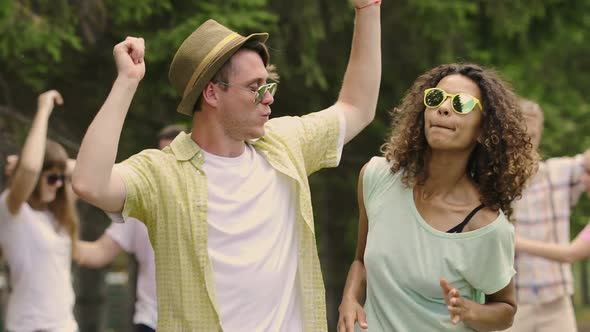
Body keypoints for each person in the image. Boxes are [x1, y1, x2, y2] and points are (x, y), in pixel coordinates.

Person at [72, 0, 381, 330]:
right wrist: (127, 82)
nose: (269, 97)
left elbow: (357, 107)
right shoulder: (161, 174)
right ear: (212, 94)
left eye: (268, 84)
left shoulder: (285, 144)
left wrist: (368, 9)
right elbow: (89, 183)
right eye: (254, 87)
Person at [338, 63, 538, 332]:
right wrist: (350, 298)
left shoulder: (486, 228)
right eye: (436, 98)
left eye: (461, 104)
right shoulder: (376, 177)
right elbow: (361, 261)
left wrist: (469, 310)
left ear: (483, 129)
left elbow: (505, 310)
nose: (444, 108)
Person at [75, 125, 184, 332]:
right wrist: (57, 242)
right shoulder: (143, 201)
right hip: (151, 322)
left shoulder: (213, 199)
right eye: (163, 156)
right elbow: (100, 252)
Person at [507, 99, 590, 332]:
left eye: (533, 134)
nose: (527, 143)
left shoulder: (558, 173)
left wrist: (514, 240)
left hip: (556, 301)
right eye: (521, 134)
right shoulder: (493, 182)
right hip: (512, 302)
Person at [0, 90, 79, 332]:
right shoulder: (11, 208)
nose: (58, 185)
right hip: (28, 326)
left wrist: (58, 167)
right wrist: (44, 109)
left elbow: (84, 170)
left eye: (61, 178)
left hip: (65, 325)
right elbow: (32, 168)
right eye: (52, 178)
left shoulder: (58, 214)